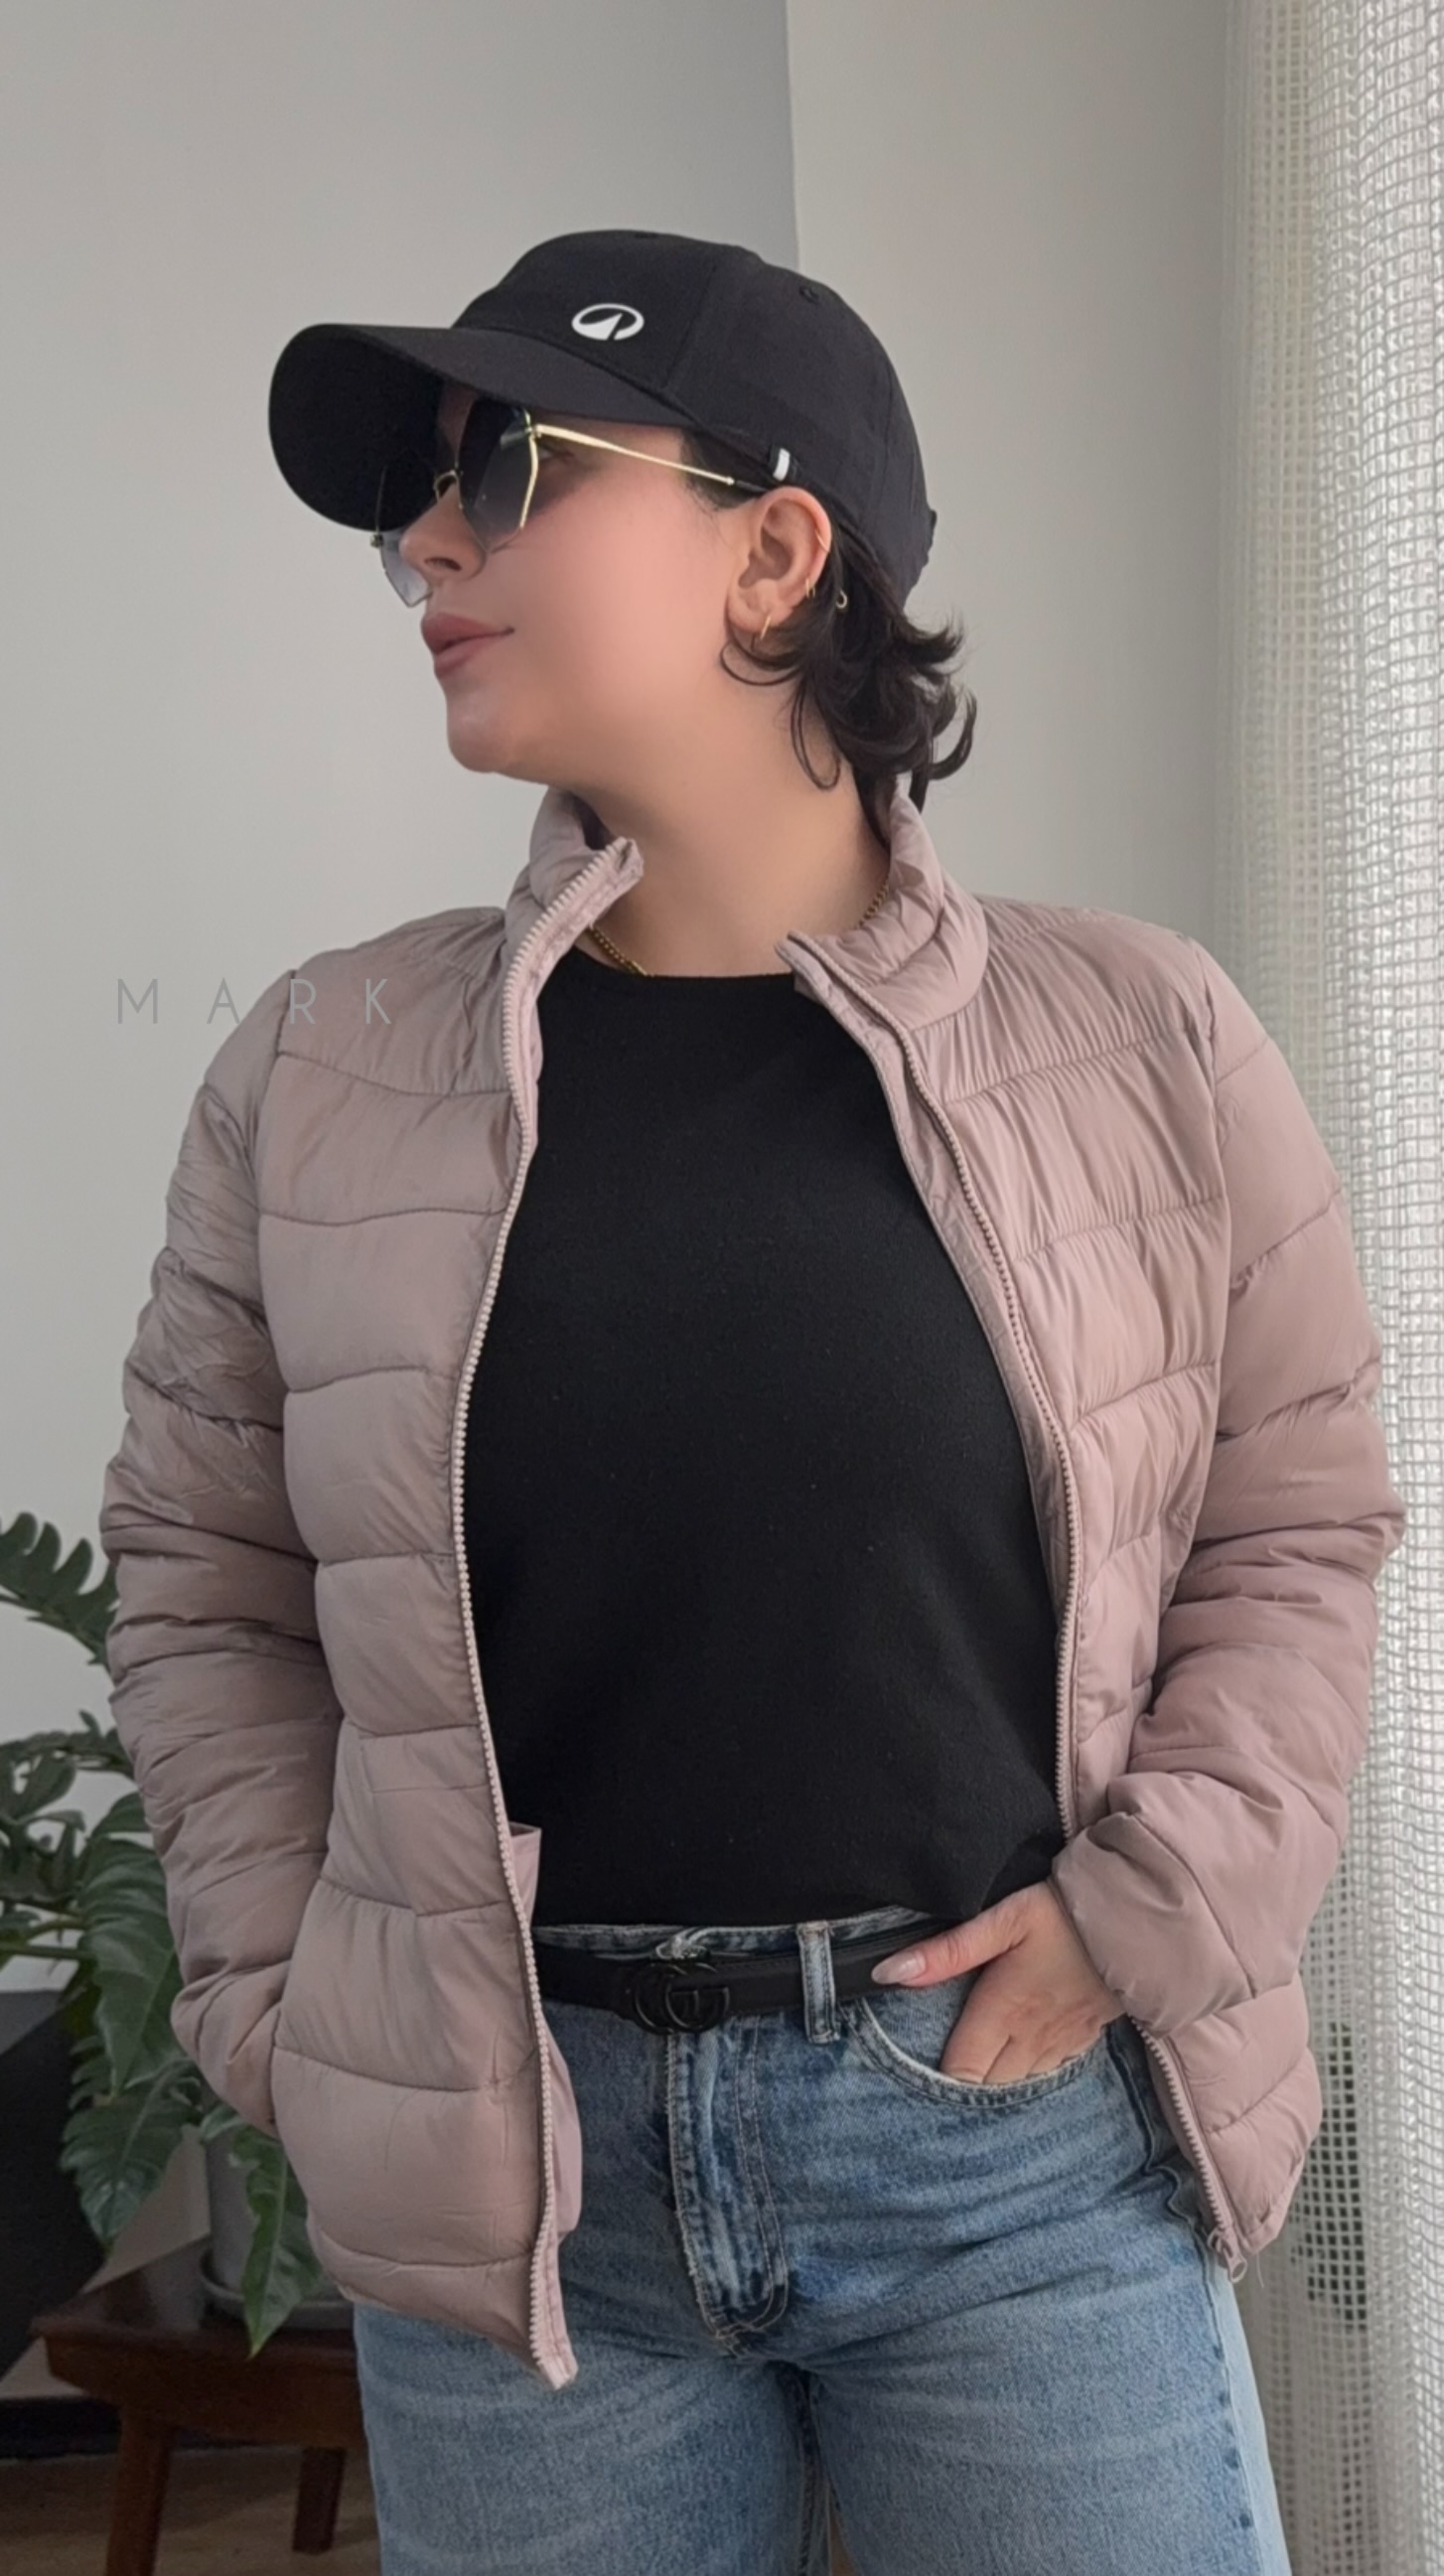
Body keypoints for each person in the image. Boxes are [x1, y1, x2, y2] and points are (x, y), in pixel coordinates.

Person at [99, 228, 1405, 2575]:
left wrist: (1145, 1909)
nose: (431, 540)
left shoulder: (1145, 1039)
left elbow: (1293, 1525)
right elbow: (204, 1579)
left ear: (779, 552)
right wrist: (289, 2004)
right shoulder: (321, 1067)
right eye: (420, 493)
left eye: (510, 464)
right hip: (525, 2204)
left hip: (1014, 2160)